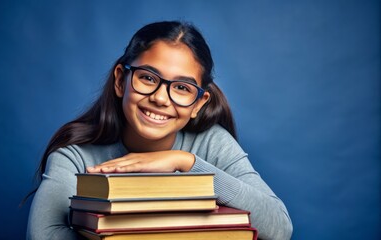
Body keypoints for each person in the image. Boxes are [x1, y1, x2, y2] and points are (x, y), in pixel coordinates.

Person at [26, 20, 293, 240]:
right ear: (121, 81)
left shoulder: (211, 144)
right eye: (148, 78)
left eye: (182, 88)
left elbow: (279, 227)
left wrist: (186, 163)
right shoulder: (75, 155)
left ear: (198, 104)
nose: (161, 98)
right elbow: (43, 235)